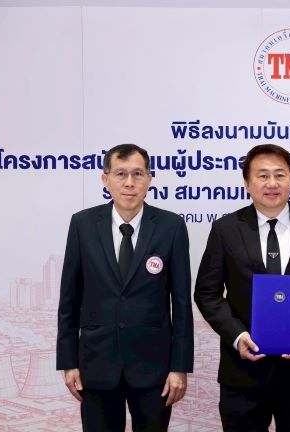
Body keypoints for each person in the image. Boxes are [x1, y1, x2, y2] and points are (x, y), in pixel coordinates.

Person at [194, 144, 290, 431]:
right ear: (247, 183)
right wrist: (238, 335)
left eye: (280, 175)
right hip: (242, 373)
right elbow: (207, 292)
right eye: (263, 175)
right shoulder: (226, 229)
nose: (272, 183)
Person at [56, 143, 194, 431]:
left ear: (149, 179)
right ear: (105, 179)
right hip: (96, 364)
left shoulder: (171, 226)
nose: (129, 183)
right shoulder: (83, 224)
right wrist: (68, 362)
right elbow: (69, 298)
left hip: (154, 368)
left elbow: (181, 303)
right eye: (120, 174)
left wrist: (179, 367)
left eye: (137, 174)